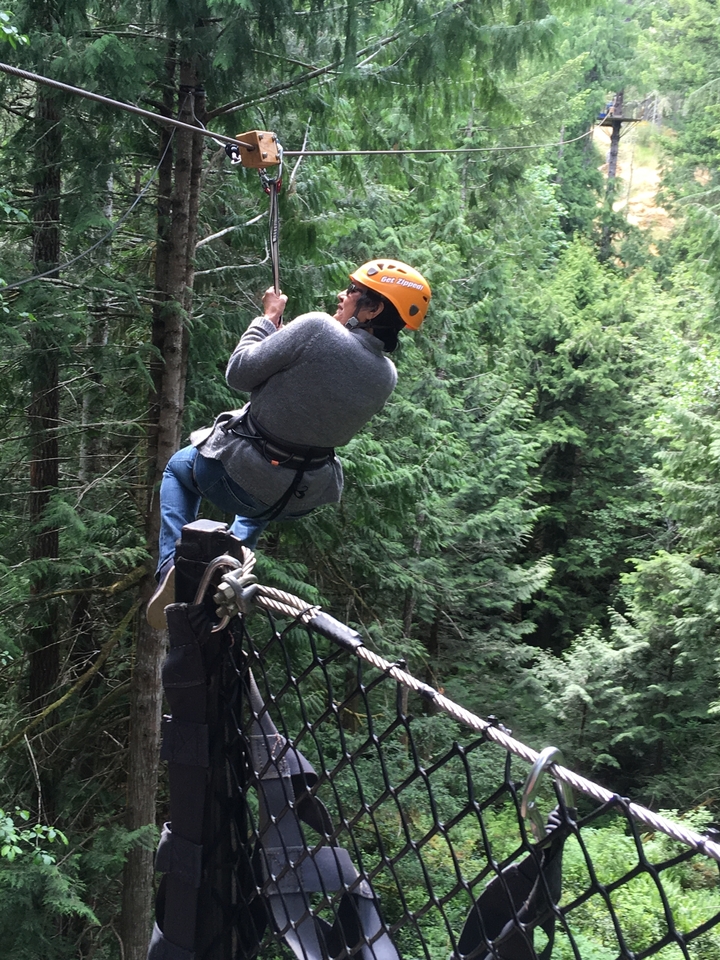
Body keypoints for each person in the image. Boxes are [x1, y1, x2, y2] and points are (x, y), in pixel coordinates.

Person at [146, 259, 431, 628]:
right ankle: (230, 562)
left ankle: (173, 567)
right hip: (293, 498)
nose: (342, 295)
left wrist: (266, 321)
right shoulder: (386, 375)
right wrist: (282, 341)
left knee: (178, 469)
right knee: (261, 492)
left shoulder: (318, 327)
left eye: (354, 291)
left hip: (234, 476)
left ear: (373, 309)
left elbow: (239, 373)